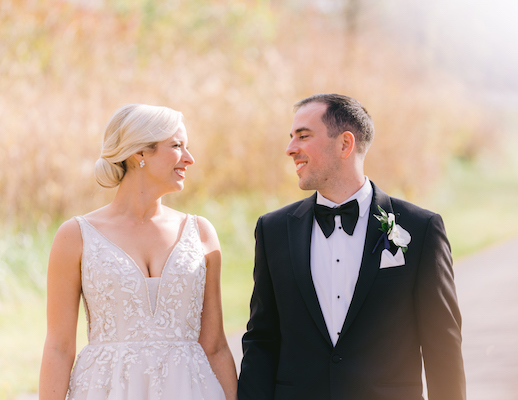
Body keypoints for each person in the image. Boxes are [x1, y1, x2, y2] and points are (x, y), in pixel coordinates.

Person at [238, 94, 466, 400]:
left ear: (345, 144)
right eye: (291, 137)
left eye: (303, 136)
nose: (291, 149)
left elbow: (442, 343)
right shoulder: (273, 230)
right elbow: (262, 340)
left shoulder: (420, 228)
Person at [39, 104, 237, 399]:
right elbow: (59, 347)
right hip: (106, 389)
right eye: (177, 146)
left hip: (192, 389)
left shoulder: (201, 233)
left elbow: (216, 344)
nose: (189, 158)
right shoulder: (76, 236)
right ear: (140, 153)